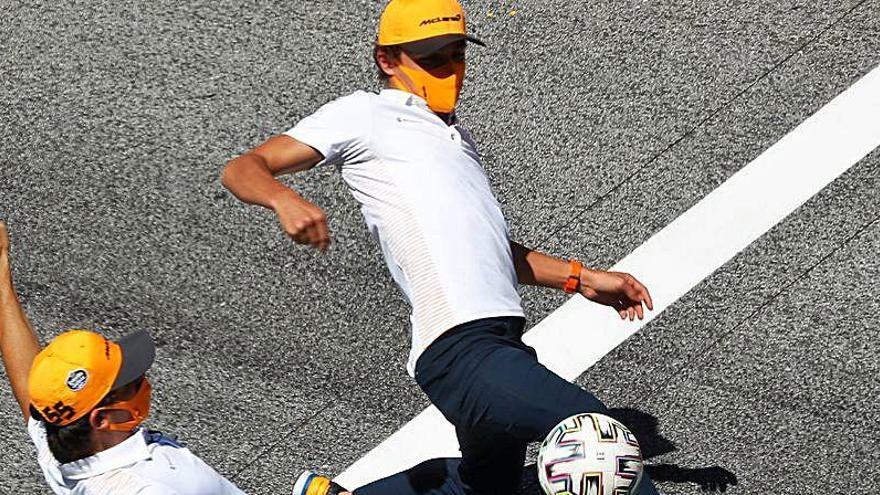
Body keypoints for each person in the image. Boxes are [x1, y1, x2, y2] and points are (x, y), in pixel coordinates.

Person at [222, 1, 659, 494]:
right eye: (432, 58)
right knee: (601, 442)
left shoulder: (455, 138)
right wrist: (284, 200)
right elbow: (244, 167)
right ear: (387, 60)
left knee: (484, 488)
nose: (449, 70)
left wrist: (582, 278)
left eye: (455, 55)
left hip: (498, 344)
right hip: (462, 351)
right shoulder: (364, 114)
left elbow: (491, 250)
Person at [0, 222, 247, 495]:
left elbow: (28, 383)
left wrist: (2, 280)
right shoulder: (139, 489)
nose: (143, 382)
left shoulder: (62, 446)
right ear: (101, 420)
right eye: (129, 384)